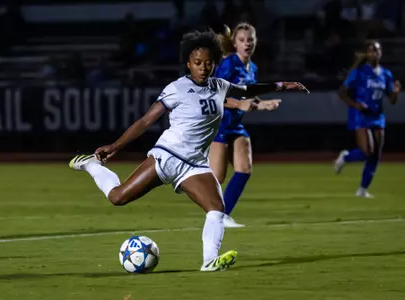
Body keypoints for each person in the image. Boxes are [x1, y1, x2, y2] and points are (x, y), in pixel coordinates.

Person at [69, 30, 306, 271]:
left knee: (216, 208)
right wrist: (115, 146)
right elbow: (144, 122)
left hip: (194, 165)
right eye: (197, 63)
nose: (203, 68)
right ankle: (91, 165)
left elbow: (246, 91)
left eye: (208, 63)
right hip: (168, 156)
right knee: (118, 197)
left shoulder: (219, 86)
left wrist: (282, 85)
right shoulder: (177, 88)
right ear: (188, 64)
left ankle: (208, 261)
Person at [209, 23, 276, 228]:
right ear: (235, 43)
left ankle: (223, 216)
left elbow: (248, 96)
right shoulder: (229, 64)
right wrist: (240, 104)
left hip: (235, 124)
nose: (246, 44)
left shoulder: (252, 68)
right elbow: (214, 94)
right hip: (219, 124)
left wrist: (261, 104)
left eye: (250, 40)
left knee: (244, 169)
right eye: (242, 40)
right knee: (216, 177)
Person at [334, 40, 401, 198]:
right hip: (362, 115)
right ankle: (345, 157)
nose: (374, 53)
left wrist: (396, 92)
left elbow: (391, 100)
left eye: (377, 50)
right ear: (367, 54)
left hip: (378, 116)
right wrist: (356, 105)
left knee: (376, 154)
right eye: (371, 51)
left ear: (381, 53)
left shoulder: (386, 74)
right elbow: (342, 92)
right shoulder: (359, 72)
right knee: (367, 151)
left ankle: (362, 190)